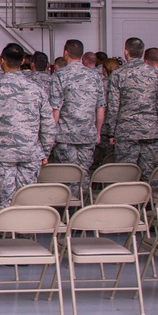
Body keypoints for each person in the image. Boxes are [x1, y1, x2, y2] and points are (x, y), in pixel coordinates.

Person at [0, 43, 56, 211]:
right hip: (30, 152)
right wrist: (45, 151)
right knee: (27, 200)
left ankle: (6, 234)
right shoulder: (37, 88)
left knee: (4, 201)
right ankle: (24, 232)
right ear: (21, 62)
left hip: (3, 154)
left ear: (2, 60)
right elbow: (48, 123)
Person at [102, 37, 158, 182]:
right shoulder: (156, 74)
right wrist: (157, 126)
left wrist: (111, 132)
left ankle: (128, 203)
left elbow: (113, 106)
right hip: (151, 131)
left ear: (126, 52)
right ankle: (149, 204)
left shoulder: (118, 74)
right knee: (151, 177)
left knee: (126, 175)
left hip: (126, 132)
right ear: (143, 52)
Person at [50, 39, 105, 200]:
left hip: (66, 135)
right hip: (88, 134)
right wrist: (98, 131)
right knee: (84, 174)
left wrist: (51, 134)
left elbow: (56, 109)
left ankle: (68, 214)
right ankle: (83, 211)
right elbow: (100, 107)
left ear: (65, 52)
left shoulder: (60, 75)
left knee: (67, 176)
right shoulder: (95, 77)